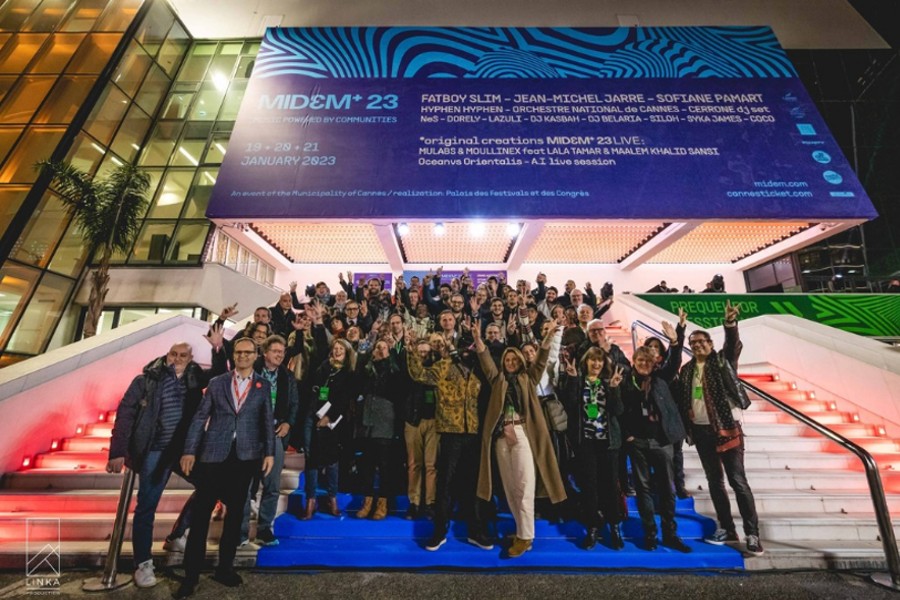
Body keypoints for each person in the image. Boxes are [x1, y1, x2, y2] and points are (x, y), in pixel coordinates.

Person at [106, 337, 219, 588]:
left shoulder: (194, 381)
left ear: (190, 360)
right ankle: (143, 562)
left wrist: (218, 347)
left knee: (211, 487)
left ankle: (177, 534)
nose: (177, 359)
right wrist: (117, 452)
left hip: (183, 451)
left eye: (182, 355)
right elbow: (125, 415)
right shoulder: (147, 380)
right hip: (154, 451)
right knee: (147, 506)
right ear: (167, 355)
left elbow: (220, 372)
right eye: (173, 354)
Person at [176, 337, 275, 598]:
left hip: (245, 458)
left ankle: (225, 568)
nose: (242, 356)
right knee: (200, 517)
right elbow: (200, 418)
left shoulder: (262, 385)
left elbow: (266, 420)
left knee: (234, 517)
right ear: (233, 356)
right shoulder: (217, 383)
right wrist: (189, 450)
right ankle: (191, 575)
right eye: (238, 352)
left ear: (256, 355)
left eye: (247, 353)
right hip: (213, 456)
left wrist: (269, 453)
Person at [473, 321, 566, 557]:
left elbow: (542, 359)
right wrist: (478, 339)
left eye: (515, 360)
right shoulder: (498, 380)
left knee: (525, 486)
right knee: (510, 487)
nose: (511, 362)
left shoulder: (528, 378)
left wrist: (548, 338)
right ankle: (521, 529)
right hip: (501, 437)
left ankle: (526, 537)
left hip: (523, 434)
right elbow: (485, 363)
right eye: (508, 359)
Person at [678, 300, 763, 556]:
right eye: (693, 343)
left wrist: (730, 324)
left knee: (738, 481)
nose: (697, 346)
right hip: (702, 431)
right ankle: (727, 528)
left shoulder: (722, 360)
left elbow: (732, 345)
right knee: (715, 482)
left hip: (727, 428)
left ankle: (752, 533)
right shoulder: (687, 369)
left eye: (701, 341)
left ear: (711, 344)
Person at [621, 345, 691, 553]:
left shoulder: (661, 379)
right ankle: (650, 533)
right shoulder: (625, 381)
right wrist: (628, 435)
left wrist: (676, 339)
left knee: (667, 489)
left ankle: (670, 534)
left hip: (662, 441)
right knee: (643, 489)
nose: (644, 364)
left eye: (648, 361)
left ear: (654, 364)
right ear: (634, 361)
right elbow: (620, 410)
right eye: (640, 360)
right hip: (638, 442)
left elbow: (674, 362)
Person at [560, 347, 625, 550]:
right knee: (589, 487)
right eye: (592, 360)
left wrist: (614, 388)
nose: (596, 364)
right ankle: (592, 528)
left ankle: (614, 527)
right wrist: (571, 379)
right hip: (585, 441)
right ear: (586, 362)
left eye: (599, 361)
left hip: (607, 442)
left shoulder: (609, 382)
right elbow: (570, 405)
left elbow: (617, 410)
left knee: (610, 486)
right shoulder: (578, 381)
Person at [241, 335, 299, 547]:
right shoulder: (251, 372)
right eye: (275, 351)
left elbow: (294, 404)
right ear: (265, 353)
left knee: (272, 485)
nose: (279, 355)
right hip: (251, 432)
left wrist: (288, 424)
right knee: (245, 485)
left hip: (275, 432)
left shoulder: (287, 376)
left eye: (282, 352)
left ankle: (265, 528)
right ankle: (240, 531)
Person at [403, 338, 440, 520]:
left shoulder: (437, 369)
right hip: (413, 421)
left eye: (426, 351)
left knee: (431, 465)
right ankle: (414, 502)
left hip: (434, 421)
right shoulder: (410, 369)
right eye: (420, 351)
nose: (423, 354)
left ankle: (430, 503)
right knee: (414, 464)